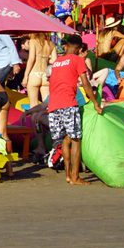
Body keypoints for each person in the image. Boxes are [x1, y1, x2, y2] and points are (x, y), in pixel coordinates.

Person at [48, 34, 102, 186]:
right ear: (78, 48)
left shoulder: (57, 62)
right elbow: (85, 83)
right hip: (68, 103)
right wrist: (95, 103)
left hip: (54, 105)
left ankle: (68, 175)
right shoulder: (78, 60)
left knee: (65, 140)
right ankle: (76, 177)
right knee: (76, 140)